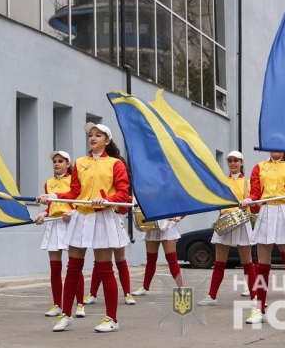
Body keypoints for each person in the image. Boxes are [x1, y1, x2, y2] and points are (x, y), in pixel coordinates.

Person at [37, 123, 131, 333]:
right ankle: (66, 315)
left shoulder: (115, 164)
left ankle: (112, 318)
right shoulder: (79, 163)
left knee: (105, 269)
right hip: (81, 216)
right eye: (91, 135)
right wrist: (52, 197)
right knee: (73, 268)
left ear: (107, 141)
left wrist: (106, 200)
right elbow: (74, 193)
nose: (93, 138)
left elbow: (124, 194)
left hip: (103, 218)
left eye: (98, 135)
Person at [243, 151, 285, 327]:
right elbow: (256, 193)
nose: (276, 148)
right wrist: (248, 199)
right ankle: (260, 309)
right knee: (262, 265)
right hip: (266, 213)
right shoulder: (259, 167)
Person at [198, 151, 256, 306]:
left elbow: (256, 202)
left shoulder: (248, 183)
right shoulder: (222, 181)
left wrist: (248, 201)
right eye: (230, 161)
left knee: (247, 262)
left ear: (242, 162)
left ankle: (255, 297)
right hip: (225, 220)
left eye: (236, 160)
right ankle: (212, 296)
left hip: (242, 221)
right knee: (219, 262)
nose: (233, 164)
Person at [34, 151, 85, 318]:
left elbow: (80, 201)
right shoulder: (48, 183)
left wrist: (73, 212)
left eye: (60, 161)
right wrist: (43, 214)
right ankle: (57, 304)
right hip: (54, 224)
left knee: (74, 267)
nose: (56, 164)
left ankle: (80, 304)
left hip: (70, 223)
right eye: (54, 161)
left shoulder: (74, 180)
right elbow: (51, 206)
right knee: (55, 268)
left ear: (68, 164)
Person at [130, 199, 184, 297]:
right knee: (151, 260)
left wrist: (180, 216)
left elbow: (183, 202)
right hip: (152, 223)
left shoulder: (173, 186)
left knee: (172, 260)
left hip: (168, 225)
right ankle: (145, 288)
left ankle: (181, 288)